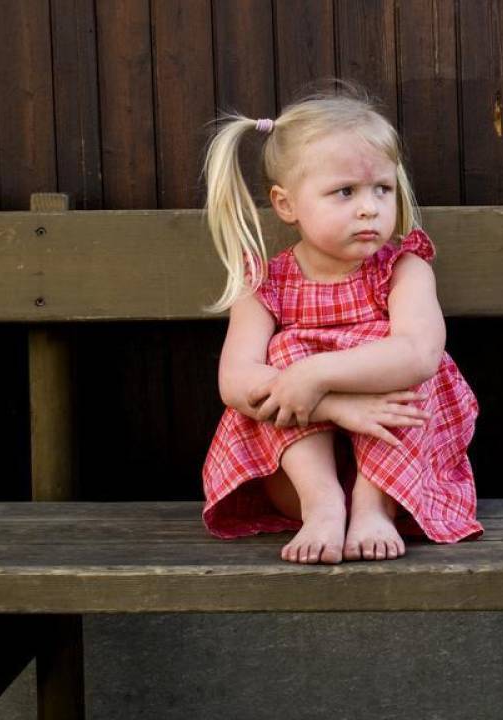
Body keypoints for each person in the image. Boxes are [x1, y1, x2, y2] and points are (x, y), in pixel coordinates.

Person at [200, 84, 483, 565]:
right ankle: (324, 505)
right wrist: (335, 405)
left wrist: (319, 374)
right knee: (286, 353)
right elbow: (235, 380)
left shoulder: (405, 268)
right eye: (345, 192)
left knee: (389, 352)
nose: (369, 207)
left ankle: (372, 509)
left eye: (382, 189)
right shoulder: (264, 283)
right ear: (286, 204)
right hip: (295, 480)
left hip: (401, 477)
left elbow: (420, 353)